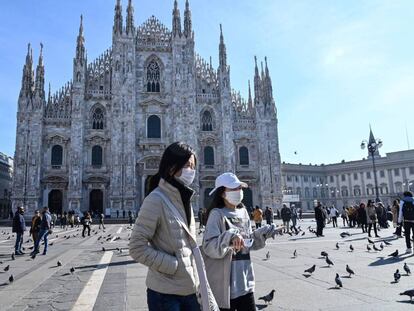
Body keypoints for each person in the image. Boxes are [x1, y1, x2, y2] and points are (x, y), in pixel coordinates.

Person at [129, 142, 201, 310]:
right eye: (187, 165)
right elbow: (136, 247)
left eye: (193, 166)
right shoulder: (155, 199)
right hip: (165, 295)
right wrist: (173, 265)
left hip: (189, 290)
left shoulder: (184, 200)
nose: (191, 171)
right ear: (171, 167)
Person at [202, 172, 279, 310]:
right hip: (225, 286)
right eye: (233, 189)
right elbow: (209, 247)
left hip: (245, 282)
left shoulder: (243, 212)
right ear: (222, 193)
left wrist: (262, 234)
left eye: (239, 188)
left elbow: (247, 243)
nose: (238, 191)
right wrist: (229, 237)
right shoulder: (217, 214)